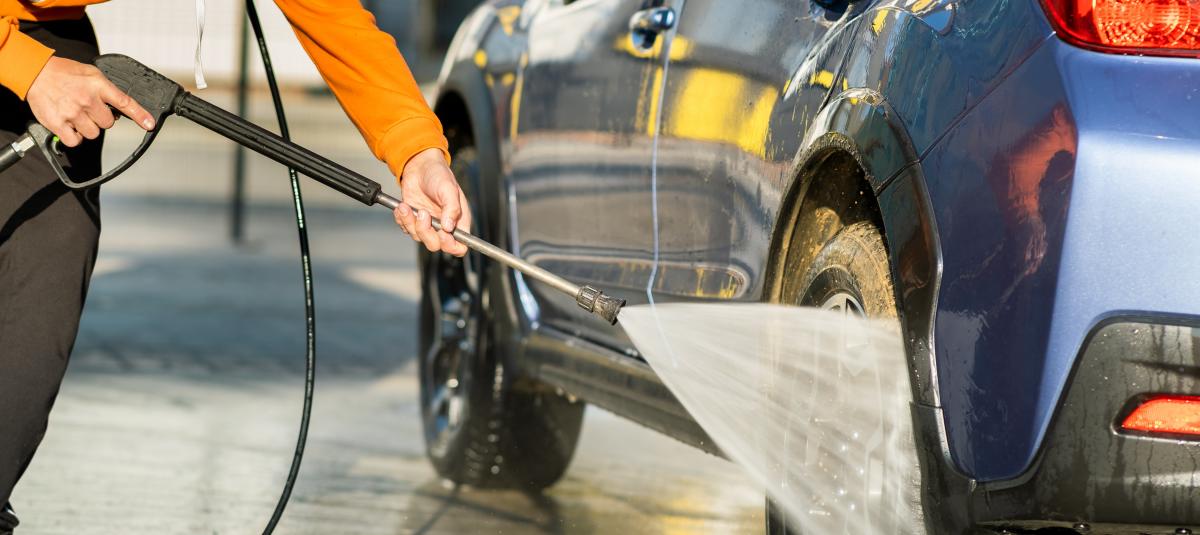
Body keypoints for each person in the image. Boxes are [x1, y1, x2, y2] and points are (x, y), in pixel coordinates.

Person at [0, 1, 471, 532]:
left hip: (51, 48)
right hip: (25, 54)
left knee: (48, 274)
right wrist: (23, 65)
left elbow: (333, 17)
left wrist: (417, 153)